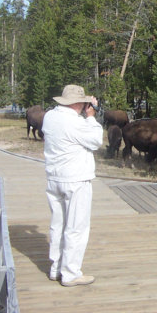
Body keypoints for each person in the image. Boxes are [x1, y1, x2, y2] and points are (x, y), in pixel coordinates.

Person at [41, 84, 103, 286]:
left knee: (57, 225)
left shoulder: (50, 117)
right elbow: (95, 141)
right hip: (76, 179)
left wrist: (85, 113)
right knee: (76, 227)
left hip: (54, 178)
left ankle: (56, 268)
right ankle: (70, 273)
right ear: (79, 103)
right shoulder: (76, 122)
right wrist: (92, 116)